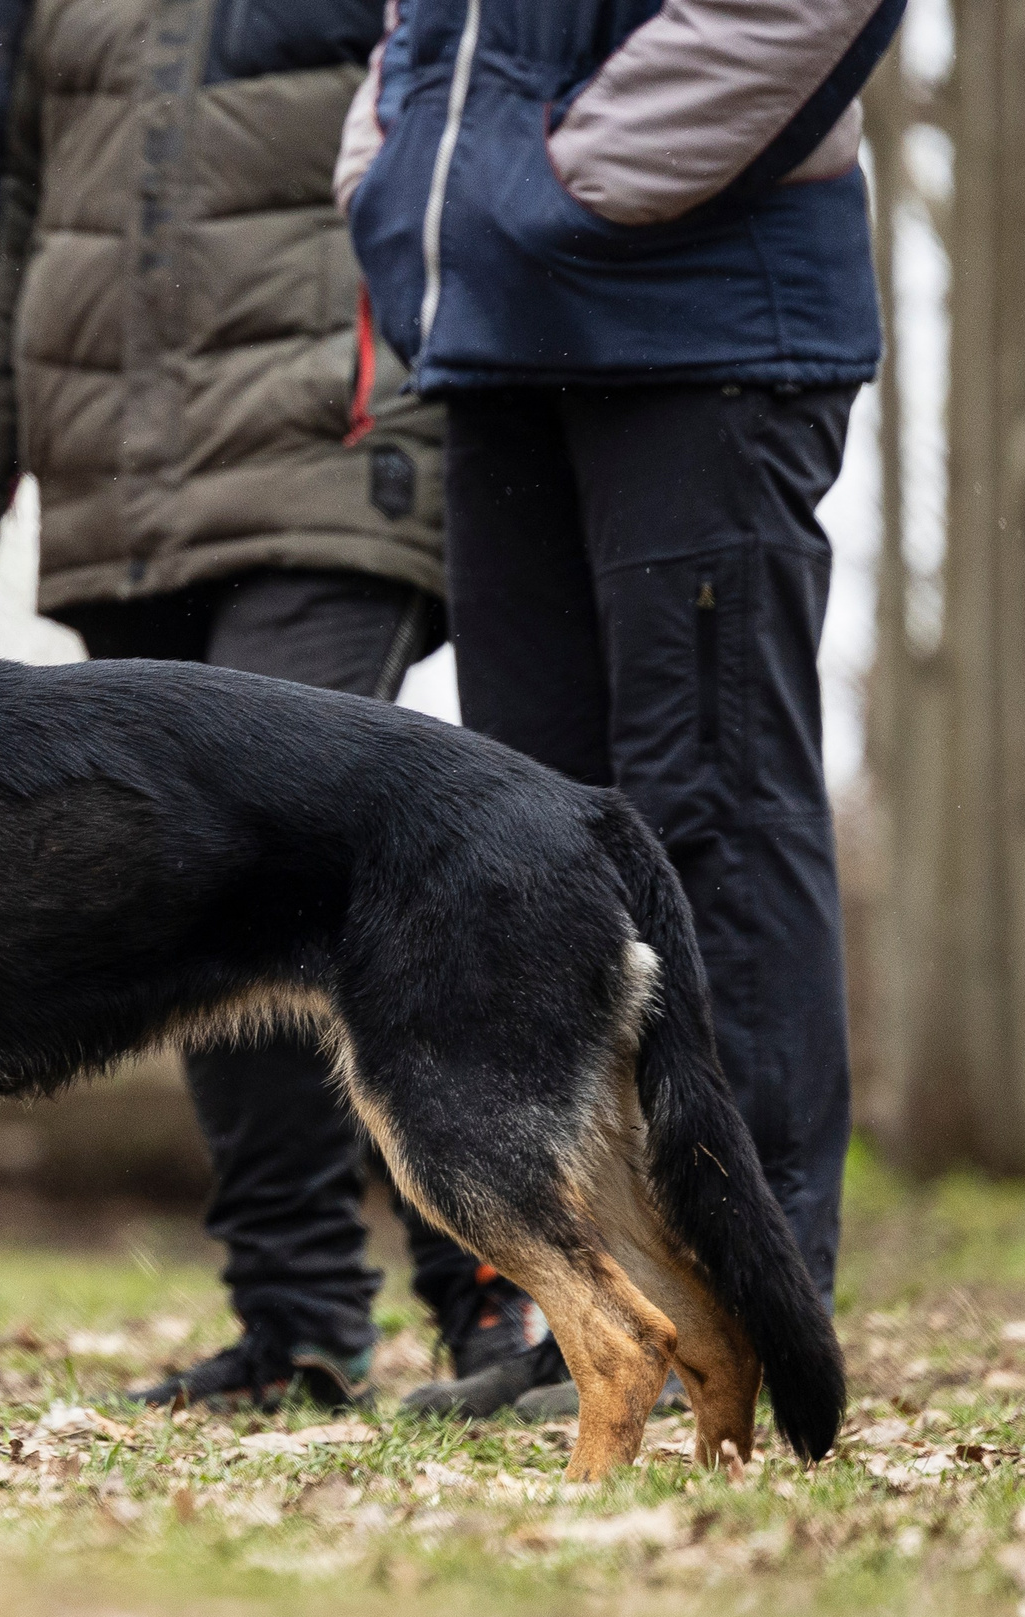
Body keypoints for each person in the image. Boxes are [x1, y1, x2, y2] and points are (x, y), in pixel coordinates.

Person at [0, 0, 557, 1412]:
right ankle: (298, 1320)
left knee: (348, 883)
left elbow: (458, 155)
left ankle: (496, 1294)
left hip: (335, 467)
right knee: (185, 910)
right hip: (115, 501)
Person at [338, 0, 904, 1407]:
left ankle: (758, 1302)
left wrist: (553, 182)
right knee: (544, 864)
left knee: (711, 810)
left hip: (699, 320)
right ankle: (607, 1319)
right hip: (502, 338)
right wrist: (402, 167)